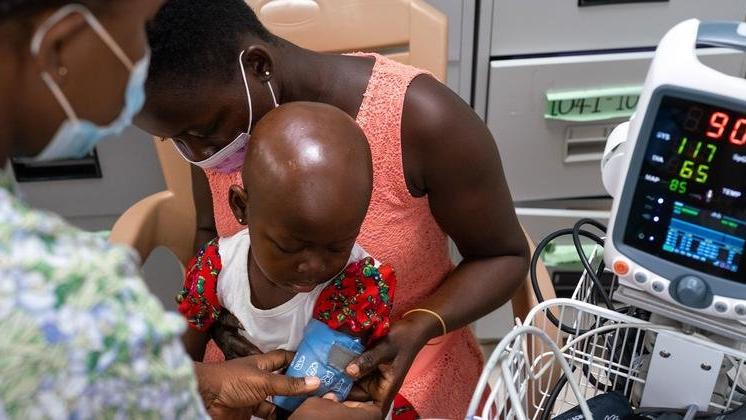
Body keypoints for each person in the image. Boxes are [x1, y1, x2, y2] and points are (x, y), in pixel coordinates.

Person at [136, 0, 530, 418]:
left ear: (257, 66)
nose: (200, 154)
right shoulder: (220, 140)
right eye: (177, 140)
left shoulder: (424, 120)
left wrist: (419, 324)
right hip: (244, 375)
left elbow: (503, 256)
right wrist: (218, 322)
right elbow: (209, 238)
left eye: (202, 131)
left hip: (395, 363)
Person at [0, 1, 384, 418]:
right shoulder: (72, 302)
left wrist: (205, 382)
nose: (145, 66)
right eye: (139, 36)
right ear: (60, 46)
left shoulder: (356, 281)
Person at [176, 101, 415, 417]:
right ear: (241, 207)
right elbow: (181, 367)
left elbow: (327, 379)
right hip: (249, 400)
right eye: (289, 247)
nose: (314, 267)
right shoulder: (215, 269)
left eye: (336, 248)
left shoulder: (356, 283)